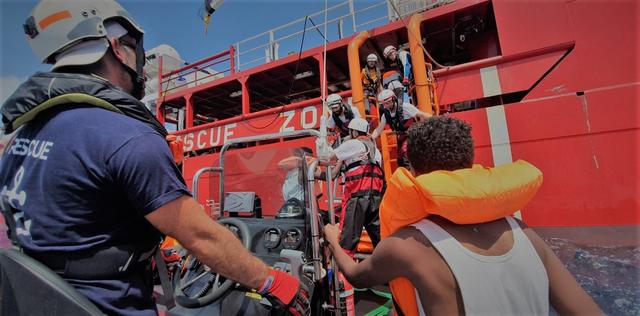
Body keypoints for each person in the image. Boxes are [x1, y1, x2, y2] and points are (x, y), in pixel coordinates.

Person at [0, 1, 307, 315]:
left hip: (35, 299)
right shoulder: (126, 135)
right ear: (118, 48)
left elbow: (71, 216)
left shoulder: (20, 139)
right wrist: (272, 282)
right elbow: (202, 237)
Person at [324, 117, 602, 315]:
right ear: (470, 162)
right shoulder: (523, 232)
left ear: (414, 170)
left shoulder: (406, 247)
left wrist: (333, 241)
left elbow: (357, 275)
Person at [324, 118, 383, 255]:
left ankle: (344, 274)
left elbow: (328, 158)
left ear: (354, 131)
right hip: (375, 200)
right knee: (380, 239)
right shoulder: (376, 151)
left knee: (346, 242)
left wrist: (323, 145)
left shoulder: (353, 144)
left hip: (357, 200)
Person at [371, 89, 431, 168]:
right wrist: (370, 137)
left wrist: (436, 119)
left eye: (387, 103)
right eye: (384, 104)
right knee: (400, 161)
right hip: (400, 138)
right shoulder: (386, 115)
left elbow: (422, 114)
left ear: (393, 99)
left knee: (406, 154)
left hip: (412, 135)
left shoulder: (405, 107)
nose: (386, 106)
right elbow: (379, 129)